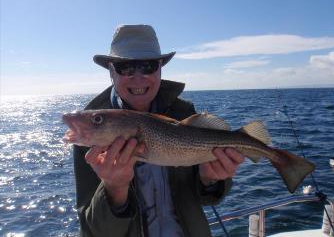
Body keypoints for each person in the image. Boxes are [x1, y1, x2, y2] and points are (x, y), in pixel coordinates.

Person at [73, 24, 245, 237]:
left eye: (148, 66)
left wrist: (210, 180)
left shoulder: (184, 113)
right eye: (125, 67)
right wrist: (114, 189)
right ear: (111, 70)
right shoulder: (90, 133)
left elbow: (205, 198)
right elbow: (93, 232)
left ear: (160, 68)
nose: (138, 77)